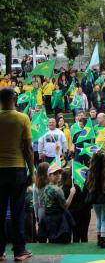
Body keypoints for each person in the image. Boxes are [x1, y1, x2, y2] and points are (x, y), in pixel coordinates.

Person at [0, 87, 34, 261]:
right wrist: (32, 172)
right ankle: (19, 251)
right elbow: (28, 148)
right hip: (17, 170)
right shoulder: (23, 118)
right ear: (14, 98)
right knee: (17, 211)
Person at [37, 165, 76, 244]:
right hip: (59, 221)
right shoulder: (57, 190)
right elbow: (65, 206)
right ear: (49, 176)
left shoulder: (46, 188)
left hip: (47, 219)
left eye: (59, 173)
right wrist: (72, 194)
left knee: (52, 243)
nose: (58, 175)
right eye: (55, 173)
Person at [85, 151, 105, 248]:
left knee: (98, 218)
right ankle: (103, 239)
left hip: (95, 199)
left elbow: (87, 185)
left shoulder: (90, 172)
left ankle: (99, 238)